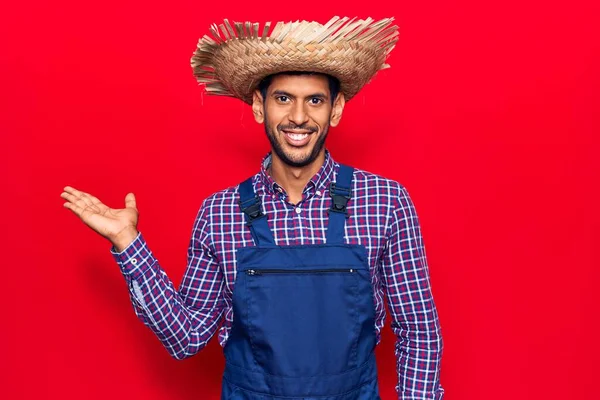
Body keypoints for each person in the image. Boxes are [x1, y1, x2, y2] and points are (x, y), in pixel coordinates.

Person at [61, 16, 444, 400]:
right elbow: (187, 337)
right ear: (259, 106)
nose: (298, 117)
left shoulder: (385, 201)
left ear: (336, 108)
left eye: (315, 100)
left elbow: (419, 331)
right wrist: (129, 244)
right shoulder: (220, 214)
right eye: (283, 99)